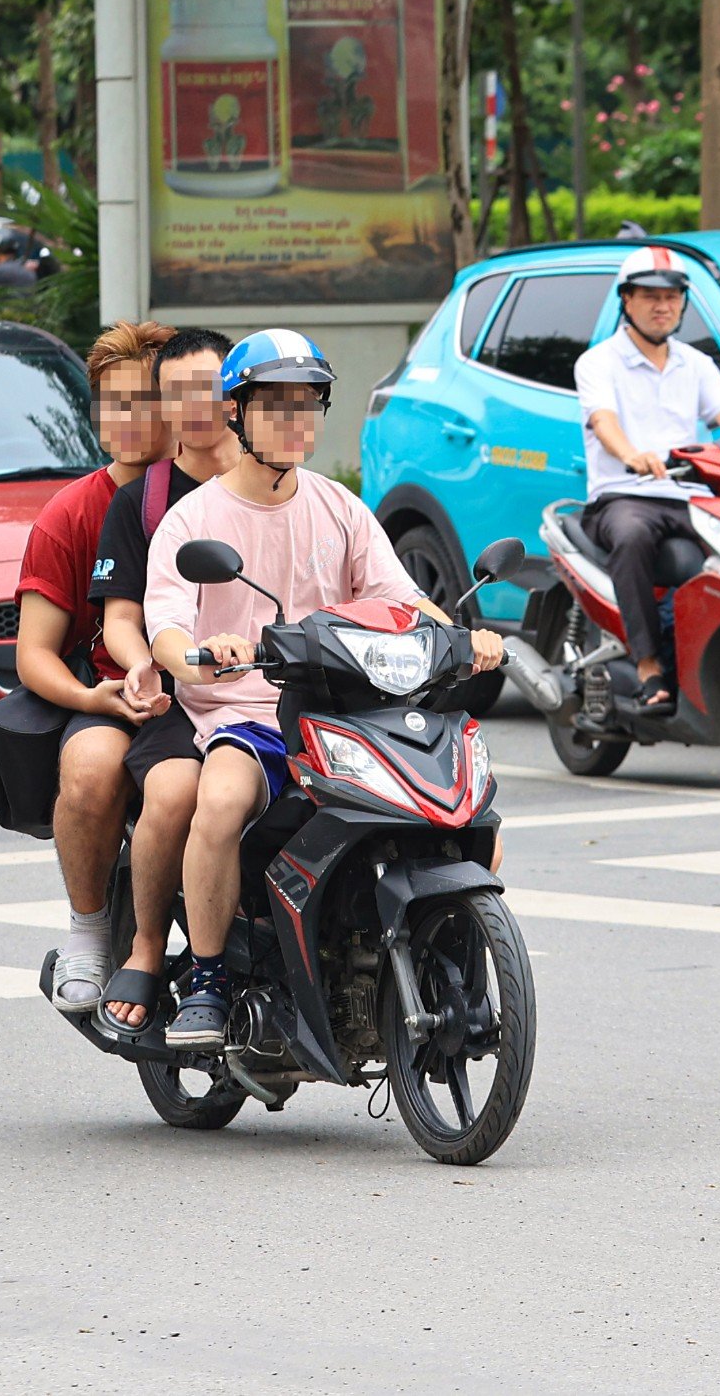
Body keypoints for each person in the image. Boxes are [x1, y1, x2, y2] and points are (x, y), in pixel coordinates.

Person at [145, 330, 504, 1049]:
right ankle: (209, 981)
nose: (296, 422)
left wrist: (464, 636)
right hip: (247, 712)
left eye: (308, 405)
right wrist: (200, 654)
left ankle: (452, 959)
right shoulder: (195, 520)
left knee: (471, 814)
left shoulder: (338, 506)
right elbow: (167, 630)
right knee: (219, 800)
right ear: (237, 414)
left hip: (348, 711)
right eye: (277, 405)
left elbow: (401, 599)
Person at [13, 320, 175, 1014]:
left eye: (141, 400)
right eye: (109, 402)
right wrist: (94, 698)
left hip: (225, 695)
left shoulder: (229, 490)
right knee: (88, 772)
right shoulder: (71, 513)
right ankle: (88, 928)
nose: (123, 418)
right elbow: (33, 655)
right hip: (119, 696)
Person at [85, 327, 235, 1036]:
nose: (195, 406)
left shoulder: (285, 483)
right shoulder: (142, 504)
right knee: (175, 792)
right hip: (180, 698)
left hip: (272, 694)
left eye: (209, 389)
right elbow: (120, 617)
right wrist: (141, 658)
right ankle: (148, 944)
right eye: (176, 394)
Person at [576, 246, 720, 714]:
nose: (664, 307)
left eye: (673, 297)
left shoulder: (695, 364)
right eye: (651, 296)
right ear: (627, 300)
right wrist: (631, 455)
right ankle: (648, 668)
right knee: (633, 536)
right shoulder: (598, 362)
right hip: (624, 495)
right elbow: (603, 421)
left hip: (690, 495)